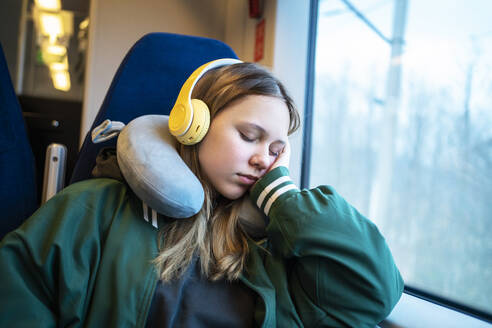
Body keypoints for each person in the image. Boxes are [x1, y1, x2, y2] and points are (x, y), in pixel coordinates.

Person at [0, 62, 403, 327]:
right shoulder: (95, 209)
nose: (265, 158)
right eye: (249, 136)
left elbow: (373, 293)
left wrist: (284, 199)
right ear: (193, 124)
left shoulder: (272, 251)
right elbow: (18, 295)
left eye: (277, 150)